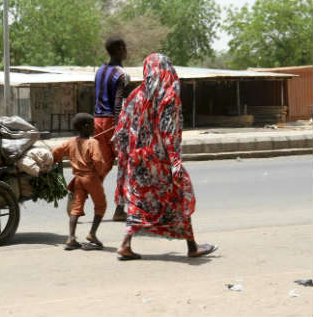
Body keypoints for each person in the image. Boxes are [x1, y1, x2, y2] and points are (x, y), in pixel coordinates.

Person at [111, 53, 218, 260]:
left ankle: (125, 245)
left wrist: (126, 153)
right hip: (160, 161)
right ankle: (192, 247)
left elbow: (122, 130)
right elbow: (169, 130)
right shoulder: (168, 95)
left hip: (138, 160)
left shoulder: (136, 95)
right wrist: (175, 161)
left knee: (139, 201)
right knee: (178, 197)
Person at [53, 113, 110, 251]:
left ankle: (71, 238)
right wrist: (101, 171)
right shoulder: (93, 143)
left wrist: (53, 160)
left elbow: (56, 151)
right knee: (101, 205)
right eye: (91, 125)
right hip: (91, 178)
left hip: (78, 179)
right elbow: (98, 161)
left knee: (76, 207)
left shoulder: (71, 142)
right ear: (85, 127)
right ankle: (92, 234)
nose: (93, 127)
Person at [94, 36, 131, 222]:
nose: (127, 51)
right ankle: (120, 209)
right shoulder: (121, 74)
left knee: (103, 165)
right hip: (113, 122)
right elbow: (119, 103)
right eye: (125, 47)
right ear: (119, 50)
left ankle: (82, 195)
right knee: (124, 164)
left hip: (97, 121)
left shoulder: (99, 71)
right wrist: (119, 127)